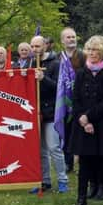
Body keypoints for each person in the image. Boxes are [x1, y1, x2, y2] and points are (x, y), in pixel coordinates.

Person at [71, 35, 103, 205]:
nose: (91, 53)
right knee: (84, 165)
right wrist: (83, 120)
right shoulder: (81, 73)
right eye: (89, 50)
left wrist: (89, 117)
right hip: (84, 127)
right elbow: (75, 100)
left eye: (95, 50)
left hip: (102, 124)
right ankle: (81, 201)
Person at [28, 36, 68, 194]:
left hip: (51, 112)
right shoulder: (31, 63)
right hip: (36, 113)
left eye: (37, 46)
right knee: (40, 150)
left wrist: (43, 79)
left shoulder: (55, 64)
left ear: (45, 46)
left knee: (54, 148)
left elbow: (59, 87)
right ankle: (44, 181)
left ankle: (62, 180)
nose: (34, 49)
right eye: (32, 46)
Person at [57, 27, 85, 173]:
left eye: (73, 37)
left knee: (81, 132)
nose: (71, 39)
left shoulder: (83, 56)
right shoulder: (58, 58)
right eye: (68, 37)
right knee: (67, 133)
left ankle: (83, 162)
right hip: (64, 102)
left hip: (80, 100)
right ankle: (68, 162)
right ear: (62, 41)